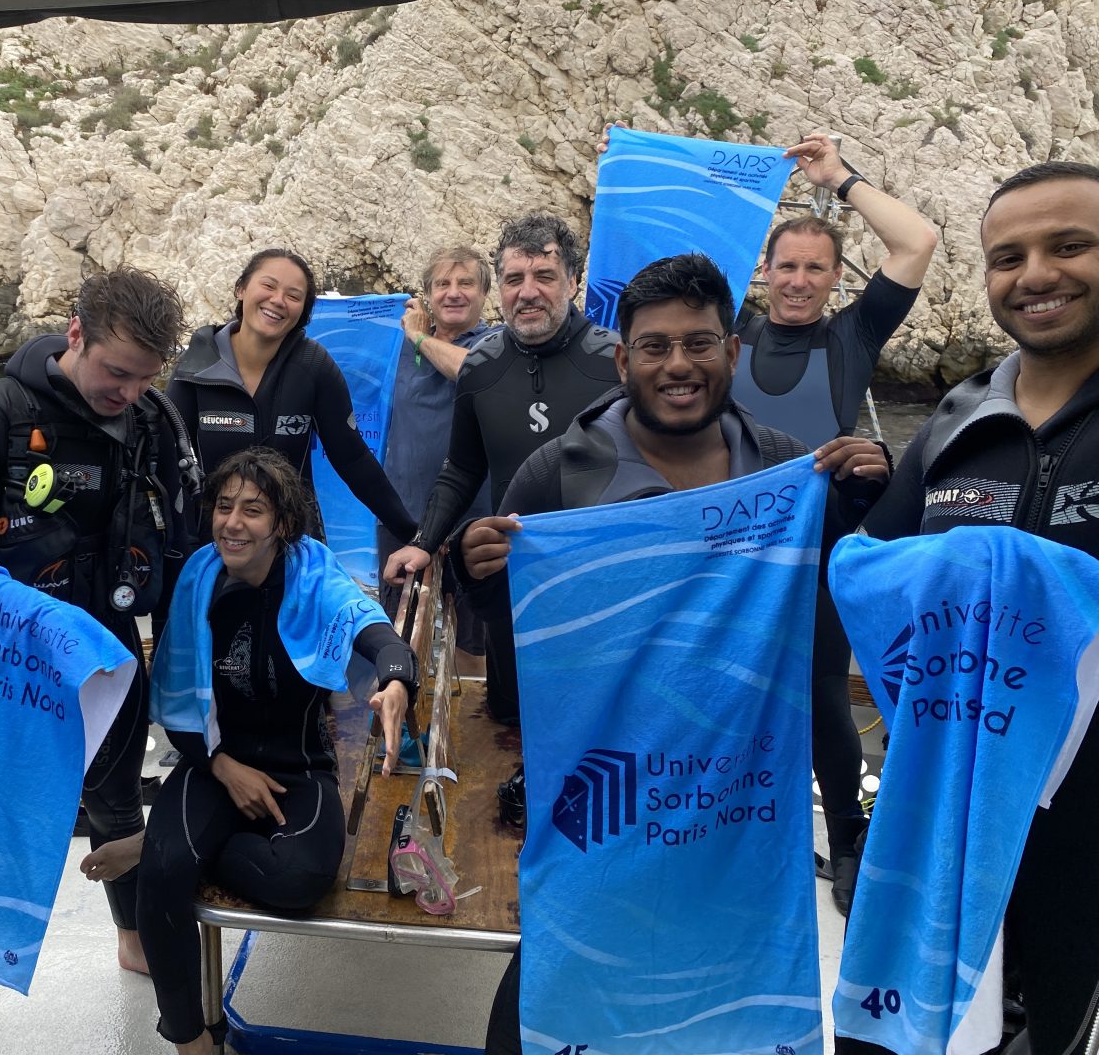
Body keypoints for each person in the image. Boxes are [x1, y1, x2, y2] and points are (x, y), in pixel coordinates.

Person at [454, 252, 889, 1055]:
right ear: (623, 360)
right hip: (606, 796)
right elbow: (514, 641)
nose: (678, 365)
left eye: (699, 343)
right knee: (553, 994)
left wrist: (873, 502)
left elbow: (855, 605)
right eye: (655, 346)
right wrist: (471, 572)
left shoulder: (790, 472)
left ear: (732, 350)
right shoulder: (556, 475)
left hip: (738, 801)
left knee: (725, 988)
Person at [842, 161, 1099, 1055]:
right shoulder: (954, 418)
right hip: (943, 814)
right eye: (1008, 256)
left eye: (1070, 245)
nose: (1035, 274)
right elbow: (872, 575)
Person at [0, 265, 195, 1055]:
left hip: (109, 659)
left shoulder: (155, 421)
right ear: (75, 335)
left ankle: (132, 937)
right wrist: (30, 612)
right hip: (7, 671)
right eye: (116, 372)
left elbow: (179, 548)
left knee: (118, 807)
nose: (128, 390)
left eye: (146, 377)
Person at [136, 446, 416, 1055]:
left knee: (298, 882)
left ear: (282, 524)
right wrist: (221, 766)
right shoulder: (196, 584)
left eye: (254, 510)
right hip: (213, 759)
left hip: (297, 766)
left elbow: (374, 631)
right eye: (224, 506)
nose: (233, 523)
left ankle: (186, 843)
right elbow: (181, 704)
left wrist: (396, 680)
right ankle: (189, 1039)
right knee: (160, 877)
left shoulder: (315, 580)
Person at [729, 132, 940, 915]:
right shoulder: (732, 335)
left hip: (820, 548)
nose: (800, 280)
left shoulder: (851, 335)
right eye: (787, 265)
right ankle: (744, 830)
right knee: (734, 691)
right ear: (765, 271)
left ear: (833, 278)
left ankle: (848, 841)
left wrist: (839, 178)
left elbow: (917, 240)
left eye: (817, 267)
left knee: (823, 694)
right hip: (737, 554)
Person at [382, 213, 622, 723]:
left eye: (545, 277)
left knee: (600, 719)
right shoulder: (482, 366)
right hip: (512, 582)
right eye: (515, 279)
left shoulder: (613, 364)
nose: (528, 292)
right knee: (511, 718)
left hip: (600, 586)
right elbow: (462, 468)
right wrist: (423, 542)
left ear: (573, 282)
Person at [166, 248, 417, 545]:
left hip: (293, 546)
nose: (278, 301)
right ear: (241, 289)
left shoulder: (313, 366)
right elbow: (167, 462)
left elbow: (354, 459)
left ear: (303, 312)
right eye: (268, 286)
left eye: (293, 296)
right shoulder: (198, 364)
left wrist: (413, 535)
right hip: (219, 543)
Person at [377, 245, 495, 677]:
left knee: (475, 644)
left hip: (473, 519)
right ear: (428, 293)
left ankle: (469, 732)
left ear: (484, 294)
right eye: (442, 284)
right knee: (399, 635)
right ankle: (405, 735)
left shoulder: (496, 344)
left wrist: (420, 337)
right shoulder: (399, 345)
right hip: (401, 515)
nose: (454, 293)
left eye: (466, 283)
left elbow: (474, 372)